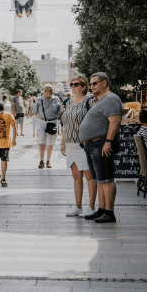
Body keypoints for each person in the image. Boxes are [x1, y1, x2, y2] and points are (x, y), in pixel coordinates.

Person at [79, 72, 123, 224]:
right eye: (91, 84)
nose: (92, 87)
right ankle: (102, 209)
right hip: (92, 145)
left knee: (106, 179)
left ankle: (109, 212)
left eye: (94, 83)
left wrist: (108, 141)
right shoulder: (99, 100)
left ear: (104, 83)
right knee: (99, 180)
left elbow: (115, 121)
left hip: (102, 143)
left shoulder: (110, 98)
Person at [59, 76, 97, 217]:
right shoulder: (68, 103)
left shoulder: (90, 101)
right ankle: (78, 206)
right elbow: (66, 124)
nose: (73, 87)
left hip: (84, 144)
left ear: (84, 86)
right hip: (71, 143)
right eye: (72, 84)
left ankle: (91, 206)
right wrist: (63, 141)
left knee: (89, 176)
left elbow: (96, 121)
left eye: (76, 84)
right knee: (76, 176)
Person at [33, 84, 64, 168]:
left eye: (52, 90)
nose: (52, 91)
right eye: (50, 90)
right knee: (41, 141)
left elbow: (60, 110)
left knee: (50, 142)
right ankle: (41, 160)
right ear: (45, 91)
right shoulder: (39, 100)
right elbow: (35, 112)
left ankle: (48, 160)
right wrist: (41, 119)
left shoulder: (56, 99)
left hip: (53, 122)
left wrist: (56, 118)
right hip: (42, 122)